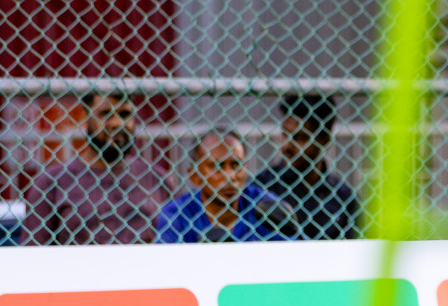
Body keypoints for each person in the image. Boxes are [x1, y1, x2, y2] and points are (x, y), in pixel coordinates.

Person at [22, 91, 167, 245]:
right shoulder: (52, 183)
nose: (117, 123)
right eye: (106, 114)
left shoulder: (157, 179)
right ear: (85, 119)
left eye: (124, 114)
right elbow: (33, 256)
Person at [155, 129, 296, 243]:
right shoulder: (177, 215)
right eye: (217, 166)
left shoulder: (263, 205)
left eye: (236, 165)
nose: (230, 176)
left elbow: (299, 254)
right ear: (195, 176)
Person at [254, 94, 362, 240]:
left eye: (299, 137)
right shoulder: (262, 188)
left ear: (324, 140)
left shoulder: (344, 199)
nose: (287, 145)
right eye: (285, 134)